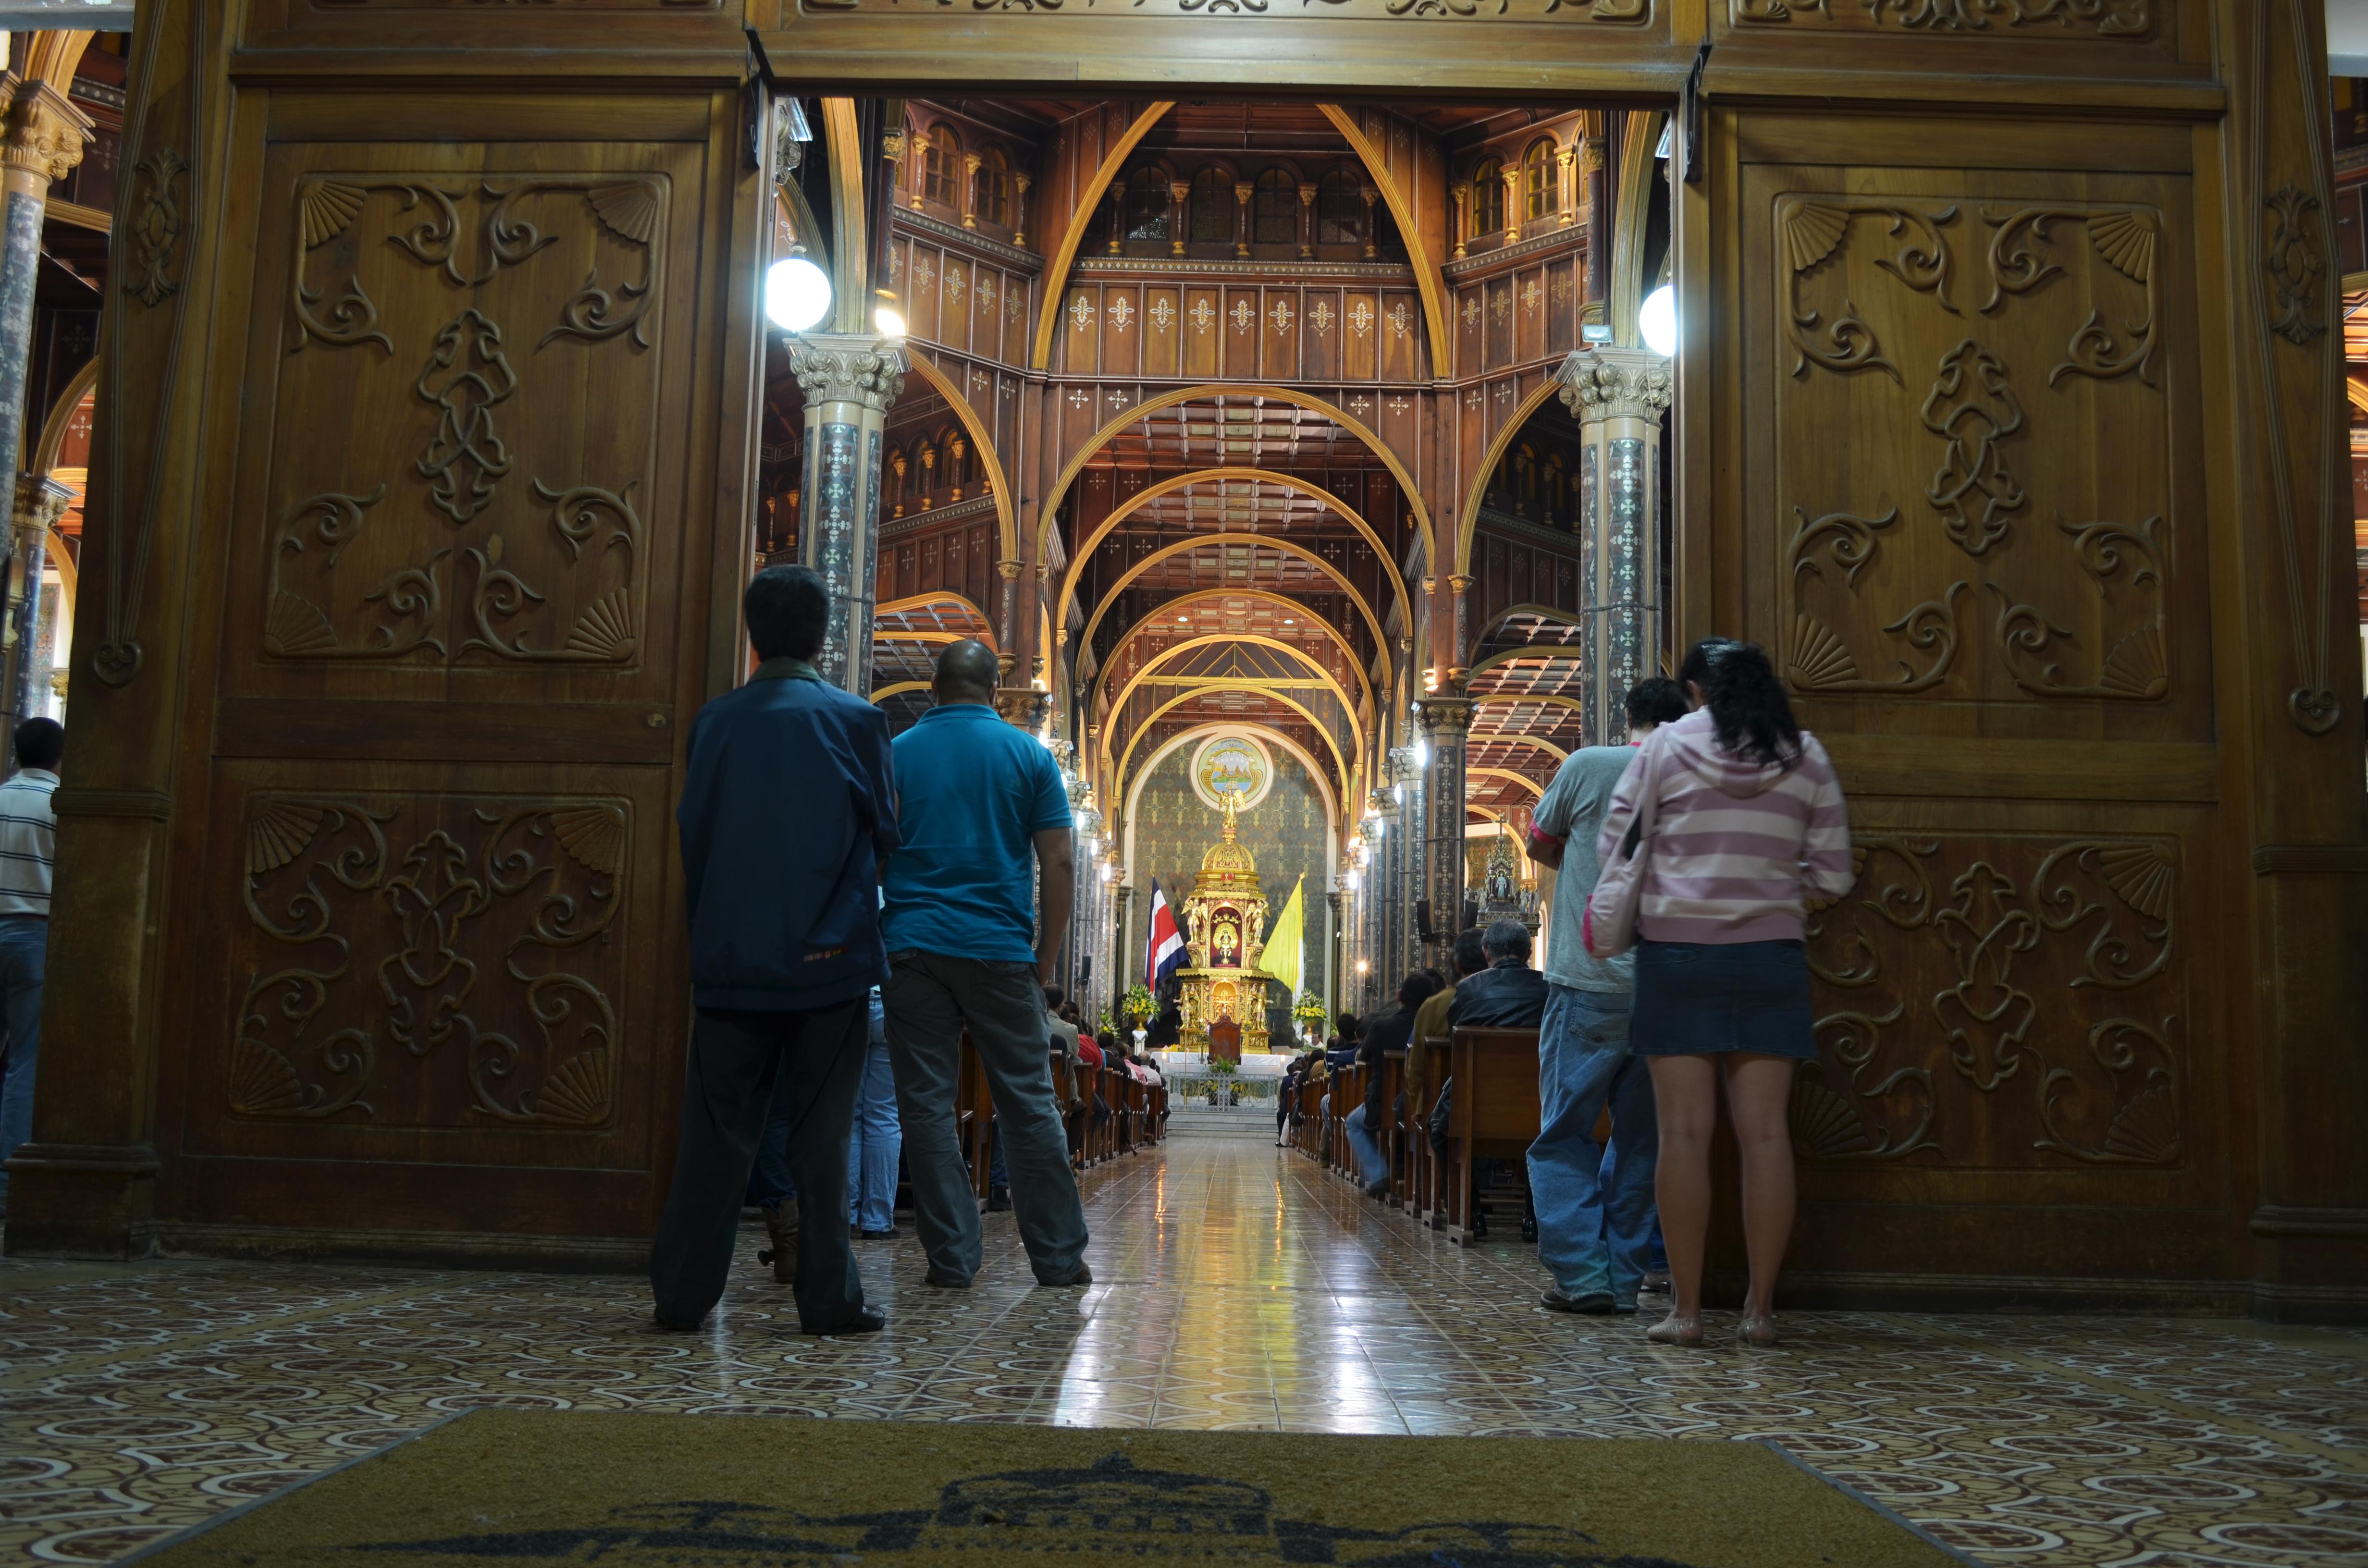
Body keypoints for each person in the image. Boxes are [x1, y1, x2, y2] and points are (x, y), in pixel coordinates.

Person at [650, 566, 895, 1336]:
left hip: (731, 957)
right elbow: (887, 833)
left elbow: (695, 831)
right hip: (832, 960)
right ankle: (827, 1301)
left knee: (717, 1137)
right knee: (824, 1138)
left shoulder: (714, 722)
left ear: (754, 634)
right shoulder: (856, 721)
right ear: (824, 636)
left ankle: (684, 1296)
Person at [1599, 638, 1851, 1349]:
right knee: (1766, 1134)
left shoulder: (1664, 750)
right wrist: (1772, 891)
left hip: (1678, 955)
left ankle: (1685, 1311)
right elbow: (1833, 875)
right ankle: (1761, 1312)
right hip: (1771, 956)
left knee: (1683, 1134)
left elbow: (1615, 847)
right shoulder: (1805, 754)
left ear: (1693, 692)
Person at [880, 638, 1091, 1290]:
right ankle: (1056, 1257)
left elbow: (871, 852)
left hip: (911, 947)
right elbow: (1057, 861)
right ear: (996, 695)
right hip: (1000, 952)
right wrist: (1045, 961)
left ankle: (951, 1258)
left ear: (932, 690)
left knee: (925, 1106)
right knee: (1028, 1103)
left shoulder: (895, 754)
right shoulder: (1028, 754)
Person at [1521, 677, 1690, 1316]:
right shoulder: (1698, 776)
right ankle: (1622, 1280)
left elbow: (1539, 841)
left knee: (1563, 1132)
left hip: (1587, 979)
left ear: (1630, 720)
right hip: (1666, 989)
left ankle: (1584, 1275)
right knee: (1643, 1140)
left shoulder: (1590, 764)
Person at [0, 717, 62, 1212]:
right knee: (24, 1063)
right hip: (35, 934)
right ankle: (7, 1187)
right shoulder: (58, 807)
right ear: (62, 756)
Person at [1345, 972, 1434, 1198]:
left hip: (1383, 1104)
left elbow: (1363, 1058)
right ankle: (1424, 1182)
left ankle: (1378, 1174)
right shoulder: (1434, 1027)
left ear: (1399, 996)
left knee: (1352, 1124)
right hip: (1428, 1104)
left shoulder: (1381, 1026)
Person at [847, 989, 902, 1240]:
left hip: (850, 999)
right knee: (884, 1114)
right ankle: (877, 1221)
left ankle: (843, 1214)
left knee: (849, 1116)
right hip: (892, 1001)